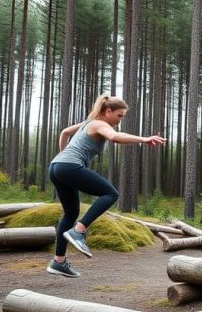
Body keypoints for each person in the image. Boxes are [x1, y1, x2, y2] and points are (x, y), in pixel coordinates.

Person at [47, 95, 166, 277]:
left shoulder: (88, 122)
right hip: (68, 166)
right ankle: (79, 231)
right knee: (110, 194)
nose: (120, 121)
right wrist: (144, 139)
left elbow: (64, 132)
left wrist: (63, 155)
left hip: (56, 167)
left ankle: (58, 262)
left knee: (70, 213)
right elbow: (115, 137)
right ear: (108, 111)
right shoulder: (100, 124)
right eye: (119, 116)